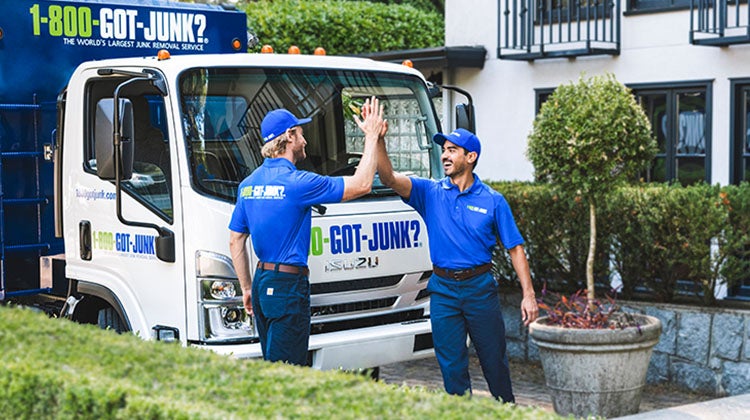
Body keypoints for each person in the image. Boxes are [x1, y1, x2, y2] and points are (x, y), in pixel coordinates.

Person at [375, 124, 538, 403]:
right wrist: (378, 141)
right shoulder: (429, 192)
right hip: (443, 291)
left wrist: (529, 295)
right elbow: (388, 177)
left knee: (494, 362)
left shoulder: (493, 201)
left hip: (479, 289)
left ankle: (508, 411)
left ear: (471, 157)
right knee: (451, 367)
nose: (445, 156)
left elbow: (515, 248)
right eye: (444, 151)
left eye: (452, 150)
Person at [228, 98, 385, 365]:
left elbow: (235, 240)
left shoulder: (248, 184)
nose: (305, 141)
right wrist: (371, 137)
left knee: (272, 366)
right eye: (300, 134)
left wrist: (246, 288)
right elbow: (362, 184)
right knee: (288, 375)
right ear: (289, 137)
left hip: (261, 281)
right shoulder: (298, 183)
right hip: (287, 287)